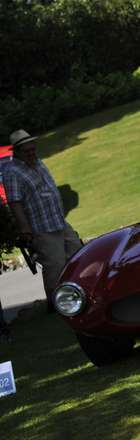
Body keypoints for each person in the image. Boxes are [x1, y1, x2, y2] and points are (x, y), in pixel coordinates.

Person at [4, 130, 83, 308]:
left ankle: (79, 290)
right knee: (54, 265)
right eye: (26, 151)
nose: (31, 153)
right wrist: (25, 228)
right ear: (16, 152)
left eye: (33, 149)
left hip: (58, 220)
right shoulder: (12, 171)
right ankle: (54, 303)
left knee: (77, 253)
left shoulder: (37, 162)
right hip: (41, 227)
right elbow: (14, 202)